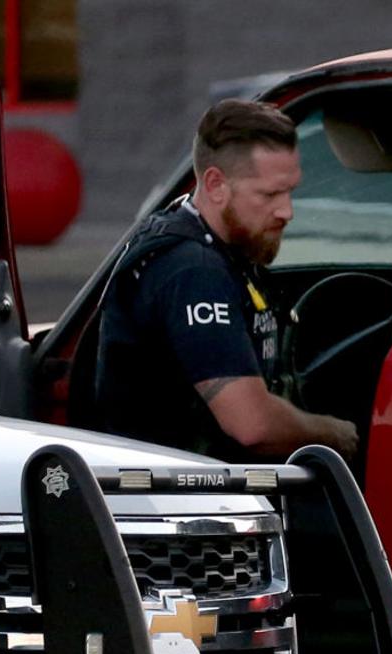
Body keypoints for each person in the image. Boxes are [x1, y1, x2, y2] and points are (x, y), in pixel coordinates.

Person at [94, 98, 358, 462]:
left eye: (290, 191)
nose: (287, 211)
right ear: (216, 184)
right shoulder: (192, 270)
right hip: (178, 488)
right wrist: (336, 435)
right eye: (269, 194)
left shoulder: (216, 243)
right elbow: (252, 426)